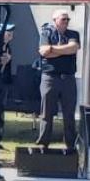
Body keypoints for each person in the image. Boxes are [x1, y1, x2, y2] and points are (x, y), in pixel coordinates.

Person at [36, 9, 80, 151]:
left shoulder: (73, 34)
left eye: (68, 20)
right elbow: (43, 52)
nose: (66, 22)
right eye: (63, 19)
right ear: (55, 20)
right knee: (46, 113)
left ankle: (70, 144)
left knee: (69, 113)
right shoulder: (46, 33)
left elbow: (73, 48)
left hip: (68, 79)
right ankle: (43, 143)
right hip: (50, 78)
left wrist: (53, 50)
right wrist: (63, 51)